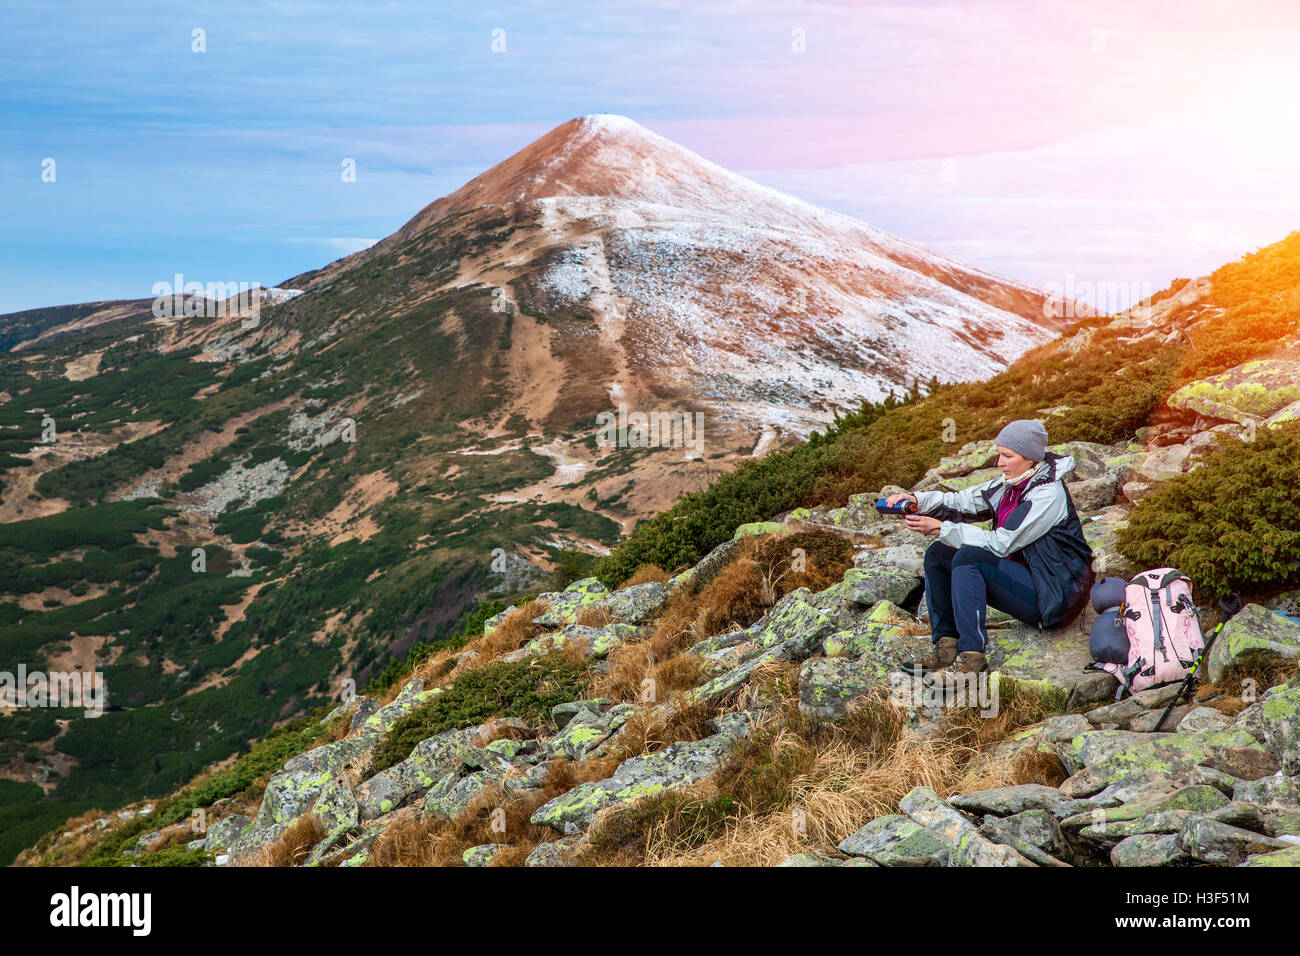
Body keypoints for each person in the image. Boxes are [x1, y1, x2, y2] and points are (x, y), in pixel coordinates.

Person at [887, 419, 1095, 685]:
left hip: (1055, 597)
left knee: (968, 558)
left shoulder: (1047, 495)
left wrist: (942, 528)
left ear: (1031, 458)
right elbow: (962, 502)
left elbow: (1001, 543)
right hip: (1028, 580)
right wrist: (917, 500)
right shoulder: (1010, 485)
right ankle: (946, 646)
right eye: (999, 454)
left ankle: (972, 659)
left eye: (1007, 456)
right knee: (939, 554)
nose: (1000, 462)